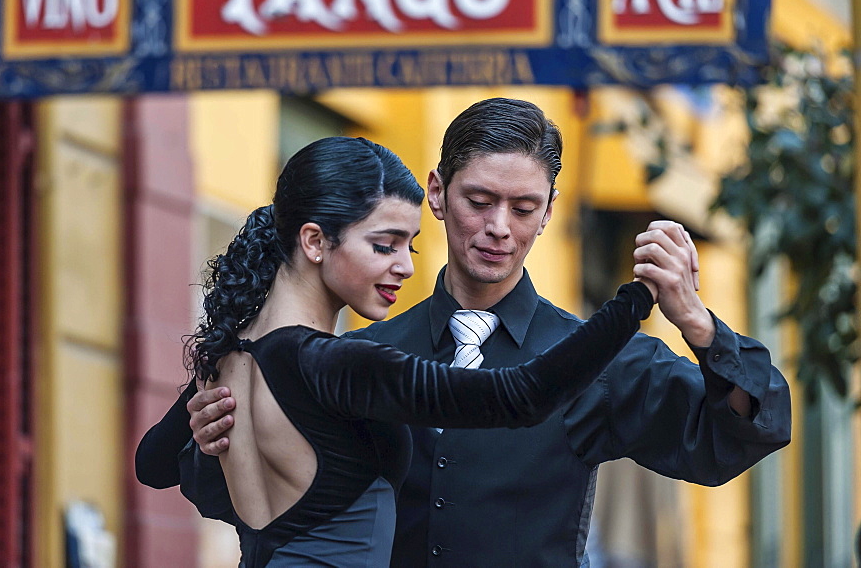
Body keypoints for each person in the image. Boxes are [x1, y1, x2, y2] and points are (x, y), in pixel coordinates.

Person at [184, 98, 793, 567]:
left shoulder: (600, 361)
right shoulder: (360, 353)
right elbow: (260, 510)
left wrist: (697, 322)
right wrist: (216, 446)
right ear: (437, 194)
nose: (499, 227)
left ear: (549, 211)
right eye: (479, 200)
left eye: (523, 208)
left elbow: (737, 431)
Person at [136, 136, 661, 567]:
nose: (406, 268)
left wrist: (209, 439)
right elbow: (521, 394)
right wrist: (636, 298)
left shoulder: (226, 356)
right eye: (384, 246)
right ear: (316, 242)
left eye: (408, 248)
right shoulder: (335, 363)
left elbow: (153, 465)